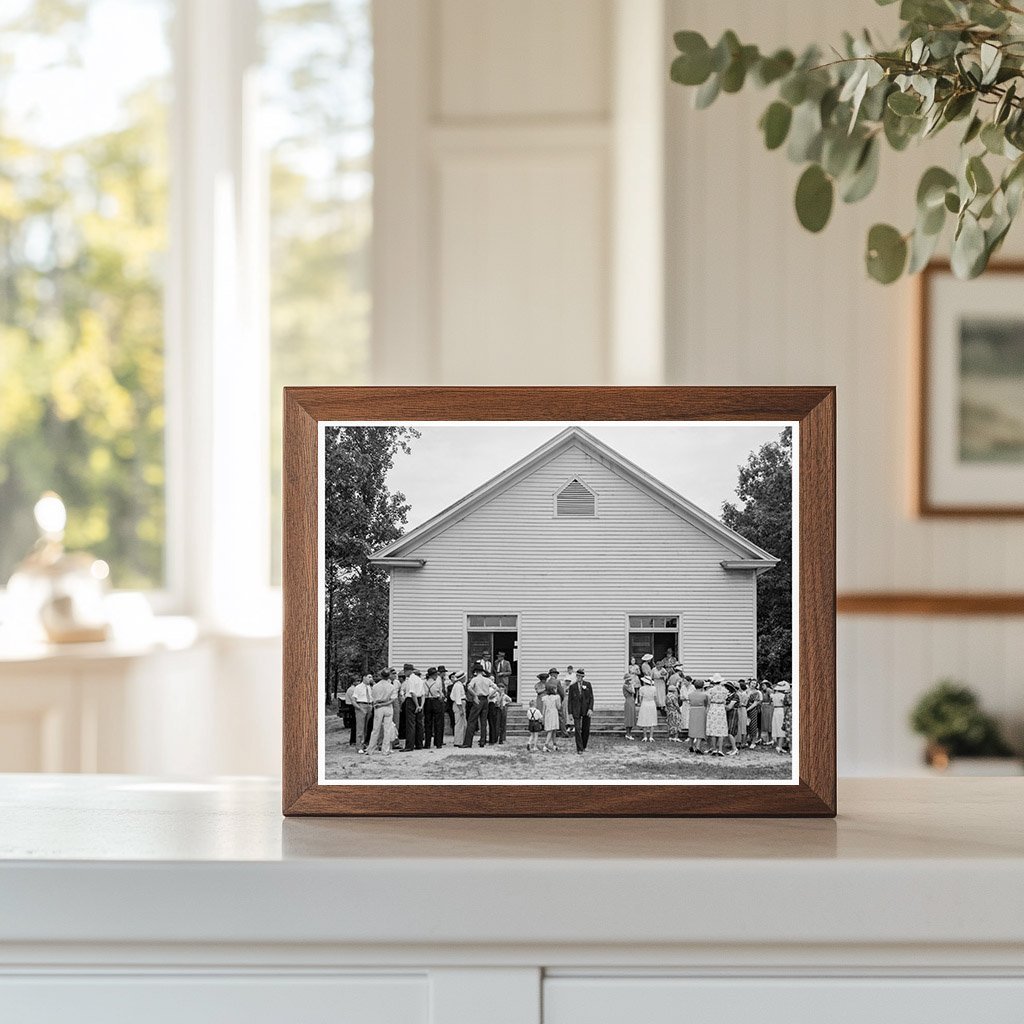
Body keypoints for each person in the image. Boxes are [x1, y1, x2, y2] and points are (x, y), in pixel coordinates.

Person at [365, 670, 396, 756]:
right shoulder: (391, 687)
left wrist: (379, 703)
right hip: (388, 706)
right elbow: (392, 699)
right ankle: (385, 750)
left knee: (376, 729)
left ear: (381, 676)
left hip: (379, 707)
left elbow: (373, 697)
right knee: (387, 729)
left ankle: (370, 749)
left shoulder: (375, 686)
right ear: (388, 676)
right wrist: (385, 703)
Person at [567, 667, 594, 754]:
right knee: (577, 729)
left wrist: (590, 708)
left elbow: (591, 698)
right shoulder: (572, 687)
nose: (578, 677)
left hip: (586, 709)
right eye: (577, 676)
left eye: (580, 676)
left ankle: (584, 745)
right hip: (576, 710)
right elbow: (570, 700)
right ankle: (579, 748)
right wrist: (570, 713)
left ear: (583, 677)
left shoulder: (588, 685)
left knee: (586, 729)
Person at [463, 664, 491, 747]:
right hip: (485, 699)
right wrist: (488, 695)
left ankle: (468, 742)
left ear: (475, 671)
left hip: (478, 699)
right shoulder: (487, 680)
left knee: (472, 720)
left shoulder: (474, 679)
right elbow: (496, 688)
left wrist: (474, 695)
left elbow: (469, 688)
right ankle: (483, 741)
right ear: (482, 671)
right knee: (483, 721)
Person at [402, 662, 426, 751]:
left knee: (410, 724)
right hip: (420, 700)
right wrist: (421, 705)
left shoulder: (410, 680)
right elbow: (423, 694)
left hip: (412, 701)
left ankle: (409, 745)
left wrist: (416, 705)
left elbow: (412, 693)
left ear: (408, 671)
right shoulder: (419, 679)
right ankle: (419, 743)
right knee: (419, 723)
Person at [706, 673, 729, 756]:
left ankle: (714, 748)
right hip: (721, 708)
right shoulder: (725, 690)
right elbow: (726, 700)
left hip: (713, 707)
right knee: (721, 729)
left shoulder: (710, 690)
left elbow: (708, 701)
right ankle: (720, 749)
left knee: (713, 729)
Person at [423, 667, 446, 749]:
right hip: (436, 701)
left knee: (428, 723)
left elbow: (424, 693)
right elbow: (441, 694)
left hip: (427, 701)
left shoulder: (424, 683)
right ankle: (438, 743)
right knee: (438, 723)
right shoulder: (436, 683)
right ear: (433, 675)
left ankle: (427, 743)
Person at [351, 674, 374, 754]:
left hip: (369, 705)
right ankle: (359, 746)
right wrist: (359, 708)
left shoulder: (370, 687)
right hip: (361, 705)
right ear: (364, 677)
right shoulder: (358, 687)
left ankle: (364, 743)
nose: (371, 679)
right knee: (360, 727)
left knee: (366, 727)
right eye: (369, 677)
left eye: (371, 677)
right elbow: (353, 699)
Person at [687, 678, 708, 754]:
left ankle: (691, 745)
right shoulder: (704, 695)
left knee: (692, 727)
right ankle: (698, 746)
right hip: (701, 710)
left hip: (692, 710)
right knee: (700, 728)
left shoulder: (690, 694)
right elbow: (706, 703)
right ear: (702, 686)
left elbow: (689, 701)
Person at [540, 682, 561, 752]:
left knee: (553, 729)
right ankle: (545, 745)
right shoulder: (557, 697)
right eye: (555, 689)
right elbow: (558, 707)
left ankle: (554, 745)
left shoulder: (545, 698)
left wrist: (543, 717)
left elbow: (543, 708)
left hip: (547, 713)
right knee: (551, 730)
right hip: (554, 713)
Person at [636, 675, 658, 742]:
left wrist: (640, 703)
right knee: (651, 720)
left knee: (644, 719)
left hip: (644, 703)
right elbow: (655, 698)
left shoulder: (641, 688)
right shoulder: (654, 688)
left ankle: (645, 736)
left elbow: (640, 698)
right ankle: (651, 736)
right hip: (652, 703)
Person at [449, 672, 468, 746]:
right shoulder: (458, 686)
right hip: (459, 705)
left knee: (462, 723)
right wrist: (460, 709)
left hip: (461, 703)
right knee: (459, 723)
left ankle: (461, 740)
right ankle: (458, 741)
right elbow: (458, 698)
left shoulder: (459, 685)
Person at [772, 681, 789, 753]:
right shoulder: (783, 696)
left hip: (775, 710)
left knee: (777, 727)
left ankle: (778, 745)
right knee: (782, 728)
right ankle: (780, 746)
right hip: (780, 710)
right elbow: (785, 704)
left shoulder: (774, 695)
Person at [665, 674, 684, 742]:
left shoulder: (667, 696)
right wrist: (679, 711)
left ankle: (670, 736)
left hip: (669, 711)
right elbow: (676, 705)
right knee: (676, 724)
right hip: (674, 711)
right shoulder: (673, 696)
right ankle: (676, 737)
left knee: (670, 724)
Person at [622, 672, 638, 740]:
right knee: (628, 717)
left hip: (631, 700)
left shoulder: (628, 685)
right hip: (628, 701)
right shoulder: (625, 686)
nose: (629, 681)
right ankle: (627, 733)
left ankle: (629, 733)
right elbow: (632, 691)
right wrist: (632, 685)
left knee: (632, 717)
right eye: (628, 679)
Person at [486, 674, 501, 745]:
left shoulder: (495, 687)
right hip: (489, 704)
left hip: (494, 705)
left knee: (494, 722)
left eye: (493, 679)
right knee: (489, 722)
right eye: (491, 679)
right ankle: (490, 738)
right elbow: (489, 696)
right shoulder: (487, 688)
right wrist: (494, 692)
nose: (492, 681)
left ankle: (494, 738)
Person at [759, 680, 774, 746]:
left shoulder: (769, 690)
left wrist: (770, 702)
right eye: (762, 685)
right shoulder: (762, 692)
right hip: (763, 707)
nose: (762, 686)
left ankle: (770, 739)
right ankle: (766, 739)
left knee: (769, 723)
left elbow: (772, 697)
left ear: (767, 685)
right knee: (765, 724)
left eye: (763, 685)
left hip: (768, 707)